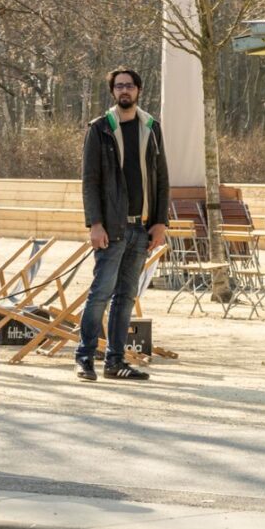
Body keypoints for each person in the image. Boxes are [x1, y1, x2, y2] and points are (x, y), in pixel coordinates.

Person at [75, 67, 169, 383]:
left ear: (138, 90)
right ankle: (84, 358)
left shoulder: (151, 128)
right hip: (112, 229)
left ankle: (115, 362)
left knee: (126, 297)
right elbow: (89, 181)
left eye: (129, 85)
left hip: (141, 229)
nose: (124, 91)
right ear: (113, 92)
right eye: (119, 86)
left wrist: (160, 223)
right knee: (100, 294)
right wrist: (95, 224)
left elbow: (162, 179)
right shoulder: (99, 129)